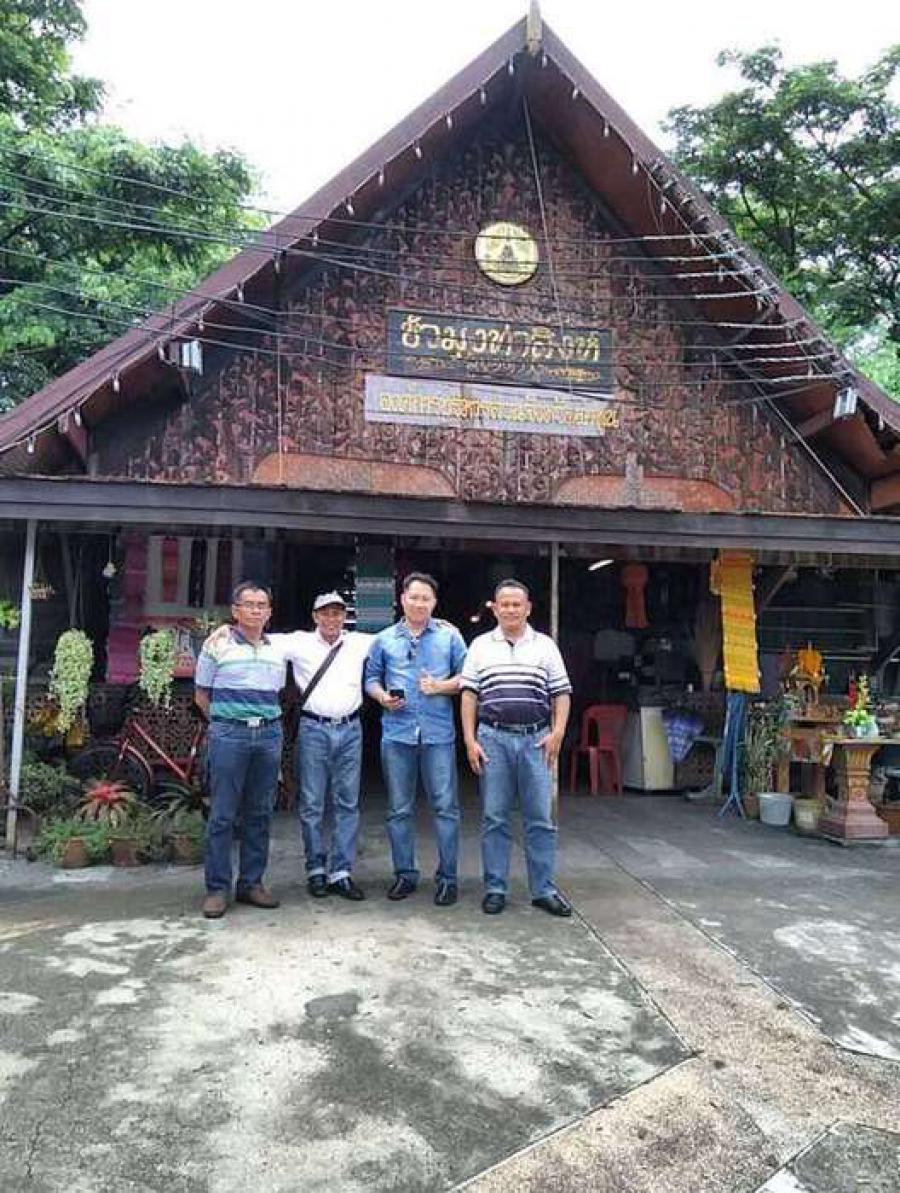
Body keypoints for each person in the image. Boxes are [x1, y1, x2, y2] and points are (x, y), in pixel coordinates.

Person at [460, 578, 573, 917]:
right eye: (504, 604)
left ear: (528, 608)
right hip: (492, 739)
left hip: (536, 740)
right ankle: (495, 888)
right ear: (495, 609)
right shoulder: (480, 646)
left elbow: (561, 693)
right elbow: (469, 695)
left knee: (540, 818)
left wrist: (558, 733)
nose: (510, 609)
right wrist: (469, 740)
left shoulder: (545, 646)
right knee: (495, 817)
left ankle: (543, 890)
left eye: (516, 604)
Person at [364, 573, 467, 906]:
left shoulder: (450, 637)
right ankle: (404, 874)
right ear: (402, 599)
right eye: (414, 597)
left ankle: (448, 878)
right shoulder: (384, 639)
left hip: (438, 734)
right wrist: (382, 697)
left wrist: (440, 687)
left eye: (426, 598)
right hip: (397, 733)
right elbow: (371, 679)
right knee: (399, 809)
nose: (419, 603)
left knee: (446, 808)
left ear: (434, 603)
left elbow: (469, 677)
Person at [271, 592, 373, 901]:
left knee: (347, 803)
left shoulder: (359, 643)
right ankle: (316, 869)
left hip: (350, 728)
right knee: (313, 803)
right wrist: (224, 631)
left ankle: (341, 872)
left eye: (337, 613)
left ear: (345, 617)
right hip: (314, 728)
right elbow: (257, 637)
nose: (331, 619)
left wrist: (438, 624)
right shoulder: (299, 642)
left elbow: (399, 636)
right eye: (325, 613)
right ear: (315, 616)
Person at [195, 581, 285, 920]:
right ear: (235, 610)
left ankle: (251, 883)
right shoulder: (216, 646)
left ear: (269, 612)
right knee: (222, 814)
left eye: (262, 605)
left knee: (260, 813)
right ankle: (217, 889)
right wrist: (225, 723)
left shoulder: (276, 650)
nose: (256, 610)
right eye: (249, 604)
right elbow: (201, 695)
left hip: (269, 734)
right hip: (229, 736)